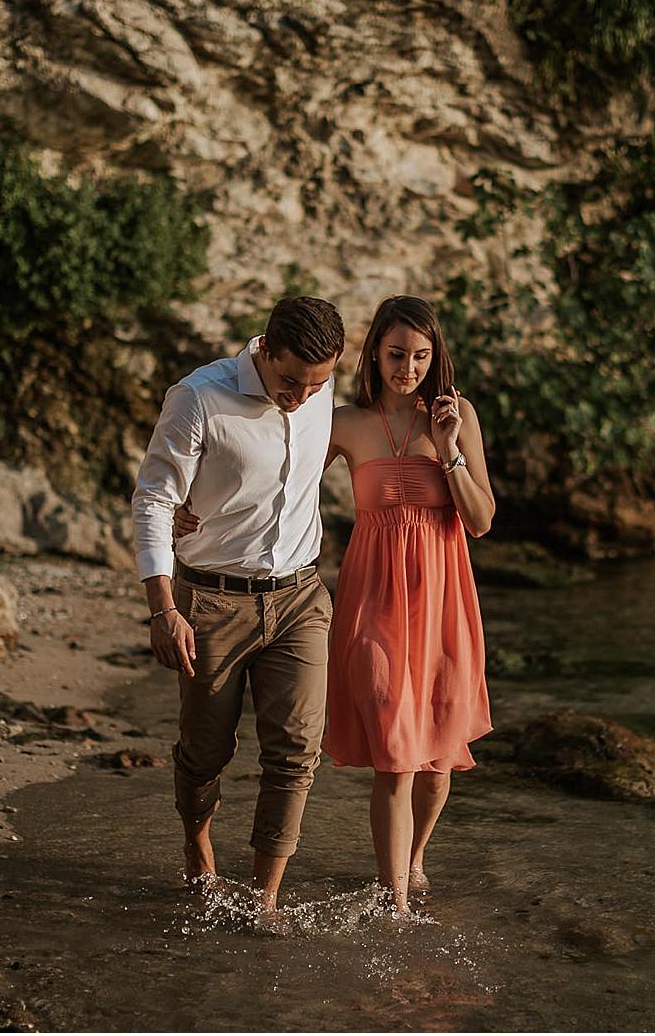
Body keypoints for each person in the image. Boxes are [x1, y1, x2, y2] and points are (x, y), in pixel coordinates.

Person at [177, 294, 495, 915]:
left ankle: (417, 857)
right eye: (398, 353)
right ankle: (396, 900)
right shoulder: (343, 420)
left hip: (443, 596)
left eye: (422, 357)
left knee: (437, 755)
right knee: (397, 747)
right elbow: (279, 476)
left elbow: (480, 520)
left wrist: (449, 446)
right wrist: (192, 502)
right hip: (373, 594)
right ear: (375, 351)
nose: (409, 368)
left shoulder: (457, 416)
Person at [131, 296, 345, 912]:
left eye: (318, 384)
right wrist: (163, 607)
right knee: (206, 752)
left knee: (297, 751)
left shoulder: (319, 394)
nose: (302, 397)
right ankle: (198, 847)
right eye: (290, 381)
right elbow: (153, 500)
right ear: (265, 349)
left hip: (300, 597)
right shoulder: (199, 398)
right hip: (212, 602)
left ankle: (264, 898)